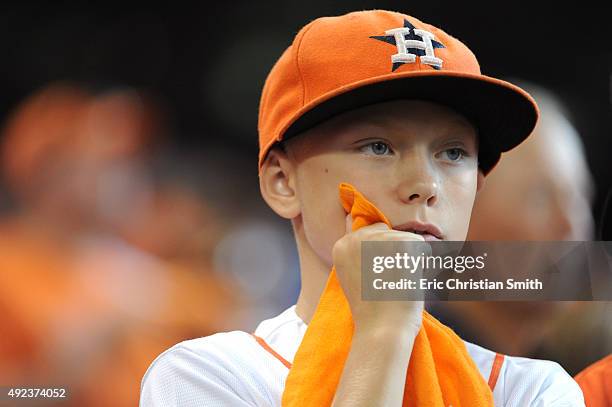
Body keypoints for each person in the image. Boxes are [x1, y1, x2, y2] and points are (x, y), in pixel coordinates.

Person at [140, 10, 584, 406]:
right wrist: (383, 334)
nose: (426, 185)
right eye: (378, 146)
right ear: (282, 181)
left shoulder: (533, 390)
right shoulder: (206, 377)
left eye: (453, 153)